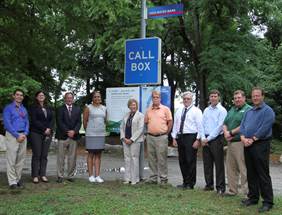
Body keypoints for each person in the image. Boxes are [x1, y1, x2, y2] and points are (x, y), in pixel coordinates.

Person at [240, 87, 275, 213]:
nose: (255, 98)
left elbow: (265, 127)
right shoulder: (249, 111)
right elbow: (243, 125)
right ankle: (253, 197)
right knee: (251, 173)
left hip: (260, 144)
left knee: (262, 173)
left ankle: (268, 202)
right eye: (253, 96)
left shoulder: (268, 111)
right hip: (247, 144)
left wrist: (253, 139)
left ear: (262, 96)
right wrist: (243, 138)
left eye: (257, 95)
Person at [171, 91, 203, 189]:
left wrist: (198, 139)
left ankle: (191, 183)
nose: (186, 100)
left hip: (191, 137)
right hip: (180, 137)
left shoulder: (196, 111)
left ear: (191, 100)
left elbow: (200, 126)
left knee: (190, 160)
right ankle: (185, 182)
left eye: (188, 99)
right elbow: (176, 125)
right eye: (184, 99)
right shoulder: (179, 110)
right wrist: (174, 137)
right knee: (182, 160)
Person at [223, 90, 251, 196]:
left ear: (244, 98)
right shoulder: (232, 109)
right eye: (235, 98)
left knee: (243, 168)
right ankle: (232, 190)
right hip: (230, 143)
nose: (237, 100)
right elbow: (225, 123)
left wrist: (230, 133)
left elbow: (244, 125)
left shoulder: (248, 109)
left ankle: (247, 192)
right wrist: (226, 132)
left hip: (240, 142)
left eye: (239, 98)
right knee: (231, 168)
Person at [201, 89, 227, 195]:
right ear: (209, 98)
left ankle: (220, 187)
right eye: (211, 96)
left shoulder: (222, 110)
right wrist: (203, 138)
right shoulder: (206, 110)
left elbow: (220, 127)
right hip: (205, 138)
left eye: (215, 96)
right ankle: (209, 185)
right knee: (207, 163)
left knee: (219, 164)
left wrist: (209, 138)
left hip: (216, 139)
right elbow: (201, 124)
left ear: (219, 97)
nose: (213, 98)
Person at [144, 90, 173, 184]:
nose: (155, 99)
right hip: (150, 137)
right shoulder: (148, 110)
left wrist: (165, 133)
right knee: (151, 159)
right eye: (154, 97)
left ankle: (164, 179)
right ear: (152, 98)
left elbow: (170, 122)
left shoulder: (165, 109)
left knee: (162, 159)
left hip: (162, 137)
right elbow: (146, 123)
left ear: (160, 98)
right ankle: (153, 178)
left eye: (157, 97)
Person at [3, 89, 29, 189]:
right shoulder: (8, 108)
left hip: (23, 135)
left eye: (21, 95)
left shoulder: (24, 109)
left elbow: (27, 122)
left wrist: (25, 133)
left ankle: (17, 179)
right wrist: (17, 135)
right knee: (11, 159)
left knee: (20, 159)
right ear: (13, 96)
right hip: (12, 135)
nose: (19, 97)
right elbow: (7, 123)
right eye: (17, 95)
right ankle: (12, 182)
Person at [56, 92, 81, 183]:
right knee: (61, 157)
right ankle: (60, 175)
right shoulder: (60, 109)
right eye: (67, 98)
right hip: (62, 136)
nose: (69, 99)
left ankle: (70, 175)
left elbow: (79, 122)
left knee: (72, 157)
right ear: (65, 99)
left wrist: (74, 131)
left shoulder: (77, 109)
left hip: (74, 136)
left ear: (73, 99)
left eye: (71, 98)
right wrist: (68, 131)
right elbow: (59, 122)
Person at [29, 91, 54, 183]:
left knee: (44, 155)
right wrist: (44, 129)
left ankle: (42, 174)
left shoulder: (49, 107)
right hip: (36, 133)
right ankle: (35, 175)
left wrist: (49, 129)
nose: (41, 96)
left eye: (43, 95)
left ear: (45, 97)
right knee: (37, 154)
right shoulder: (33, 107)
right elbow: (34, 121)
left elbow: (52, 120)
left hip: (48, 134)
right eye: (39, 95)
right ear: (36, 97)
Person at [83, 91, 106, 183]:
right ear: (92, 98)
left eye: (99, 97)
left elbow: (105, 121)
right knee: (91, 154)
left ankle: (97, 176)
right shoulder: (88, 108)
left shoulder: (104, 108)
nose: (97, 98)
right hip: (91, 134)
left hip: (100, 134)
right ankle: (91, 176)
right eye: (95, 97)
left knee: (98, 155)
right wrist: (88, 130)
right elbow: (85, 121)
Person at [120, 99, 144, 185]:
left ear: (136, 106)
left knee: (134, 158)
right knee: (127, 159)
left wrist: (132, 139)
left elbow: (140, 129)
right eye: (131, 105)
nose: (133, 106)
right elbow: (121, 127)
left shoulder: (140, 116)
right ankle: (127, 178)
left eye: (134, 105)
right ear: (129, 106)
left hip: (135, 141)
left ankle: (135, 179)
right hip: (125, 140)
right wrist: (123, 138)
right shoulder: (126, 115)